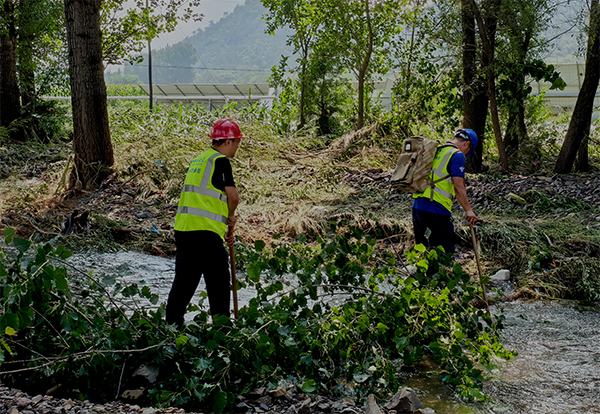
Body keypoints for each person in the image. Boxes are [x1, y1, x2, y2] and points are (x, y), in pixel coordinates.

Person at [165, 119, 242, 327]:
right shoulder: (220, 161)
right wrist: (231, 218)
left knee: (184, 283)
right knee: (218, 281)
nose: (237, 147)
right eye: (237, 143)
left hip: (183, 230)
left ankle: (171, 327)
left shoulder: (198, 160)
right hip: (205, 234)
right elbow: (233, 197)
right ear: (227, 141)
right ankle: (222, 329)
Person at [411, 129, 478, 254]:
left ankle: (420, 273)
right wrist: (468, 210)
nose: (466, 154)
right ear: (467, 144)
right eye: (468, 151)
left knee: (423, 252)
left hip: (418, 207)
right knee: (444, 253)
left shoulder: (436, 150)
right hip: (436, 209)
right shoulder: (457, 155)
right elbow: (458, 186)